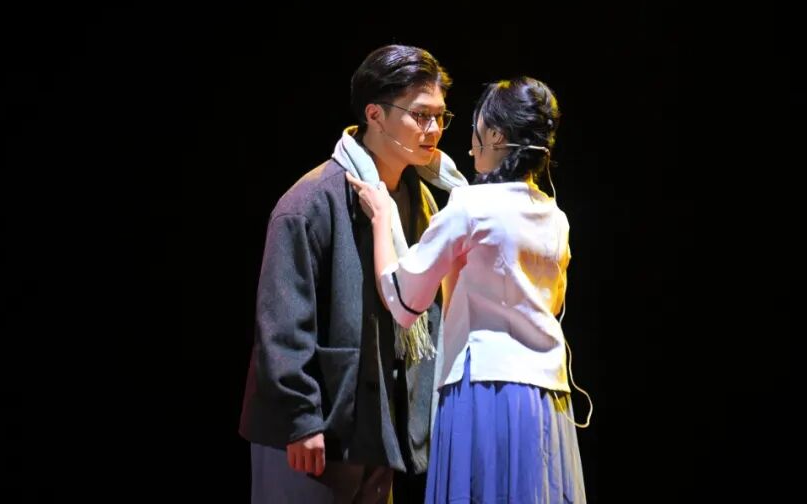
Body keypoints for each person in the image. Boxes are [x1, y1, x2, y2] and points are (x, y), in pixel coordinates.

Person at [240, 44, 469, 503]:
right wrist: (302, 419)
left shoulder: (423, 202)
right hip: (312, 432)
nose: (433, 130)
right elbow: (282, 323)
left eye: (440, 117)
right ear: (375, 114)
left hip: (378, 429)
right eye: (420, 115)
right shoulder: (311, 201)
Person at [347, 76, 588, 503]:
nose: (470, 145)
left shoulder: (471, 207)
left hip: (485, 391)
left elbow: (403, 298)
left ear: (494, 135)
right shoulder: (555, 216)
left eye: (476, 129)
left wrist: (383, 217)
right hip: (546, 399)